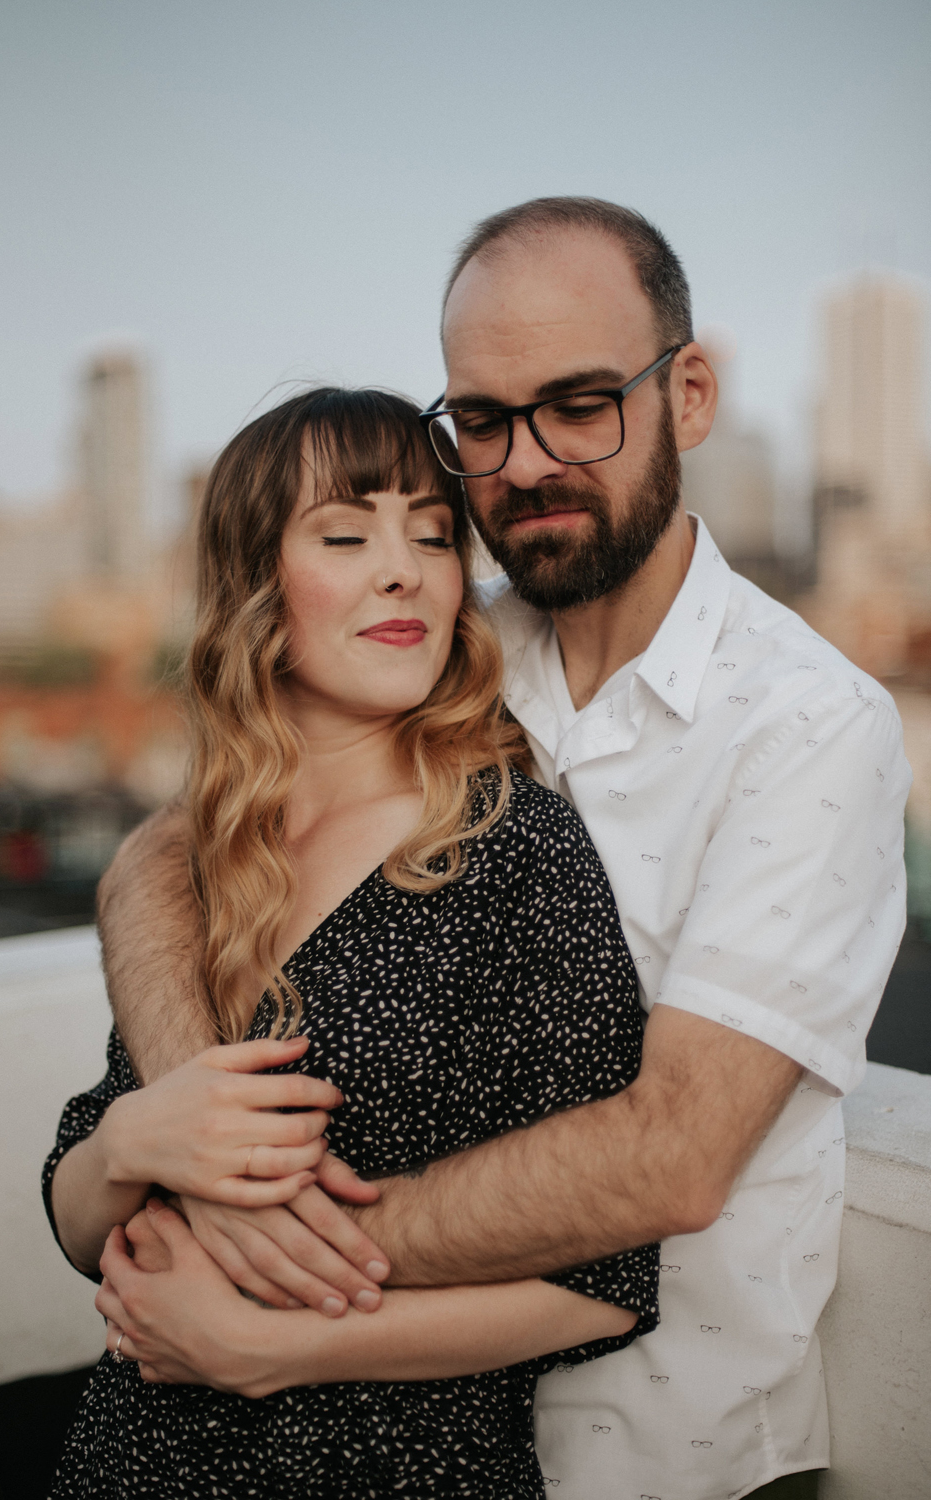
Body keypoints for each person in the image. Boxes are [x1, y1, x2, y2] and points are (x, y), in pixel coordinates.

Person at [89, 199, 909, 1500]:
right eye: (481, 418)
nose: (524, 463)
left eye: (581, 403)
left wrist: (266, 1251)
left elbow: (672, 1154)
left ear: (688, 395)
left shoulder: (813, 728)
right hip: (386, 1446)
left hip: (667, 1456)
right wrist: (195, 1121)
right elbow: (164, 851)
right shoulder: (443, 638)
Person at [45, 385, 658, 1496]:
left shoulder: (515, 851)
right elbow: (80, 1208)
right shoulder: (199, 868)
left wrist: (276, 1350)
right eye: (344, 534)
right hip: (129, 1462)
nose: (405, 569)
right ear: (255, 588)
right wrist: (132, 1140)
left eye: (431, 535)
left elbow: (604, 1280)